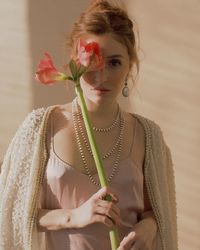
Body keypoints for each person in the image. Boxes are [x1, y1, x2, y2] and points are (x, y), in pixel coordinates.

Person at [0, 0, 178, 249]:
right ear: (74, 61)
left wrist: (149, 226)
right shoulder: (40, 127)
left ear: (130, 65)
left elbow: (157, 210)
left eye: (114, 62)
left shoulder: (148, 135)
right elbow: (11, 212)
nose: (101, 76)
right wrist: (74, 216)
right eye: (91, 61)